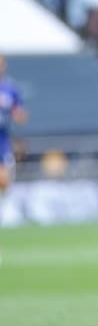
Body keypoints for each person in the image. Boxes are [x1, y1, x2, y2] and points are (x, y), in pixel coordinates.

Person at [0, 55, 28, 218]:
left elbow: (21, 116)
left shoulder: (10, 89)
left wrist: (15, 111)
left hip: (2, 139)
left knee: (5, 180)